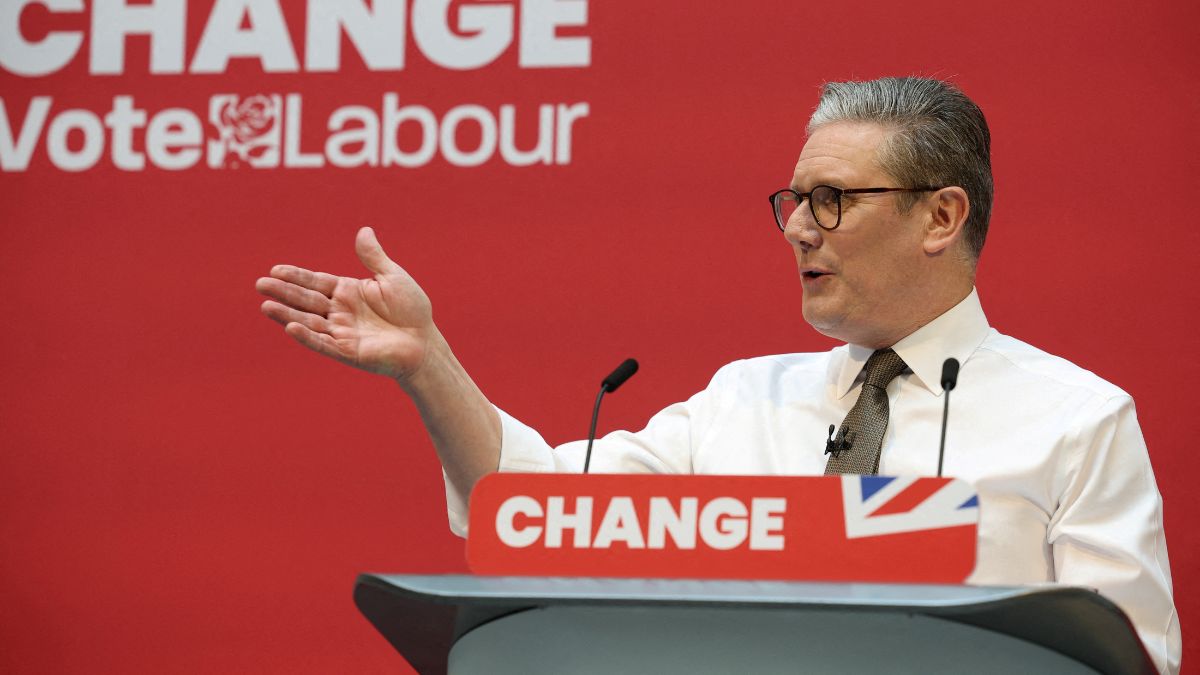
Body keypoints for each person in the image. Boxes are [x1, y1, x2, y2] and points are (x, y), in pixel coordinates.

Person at [256, 77, 1180, 673]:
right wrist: (429, 364)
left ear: (941, 217)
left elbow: (1132, 655)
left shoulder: (1077, 418)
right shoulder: (744, 399)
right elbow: (539, 512)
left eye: (833, 199)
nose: (797, 228)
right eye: (792, 200)